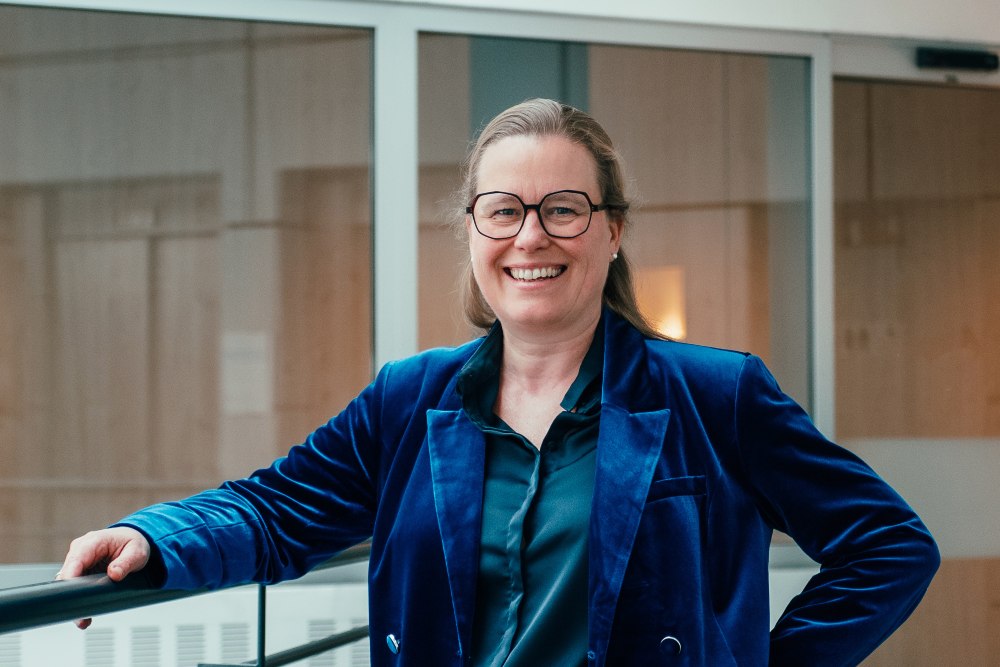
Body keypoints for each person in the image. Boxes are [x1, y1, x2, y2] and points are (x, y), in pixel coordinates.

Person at [59, 98, 939, 666]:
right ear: (474, 231)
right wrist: (150, 535)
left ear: (612, 232)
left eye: (564, 209)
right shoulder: (412, 398)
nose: (531, 236)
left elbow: (890, 545)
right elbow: (275, 508)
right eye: (504, 210)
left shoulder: (716, 395)